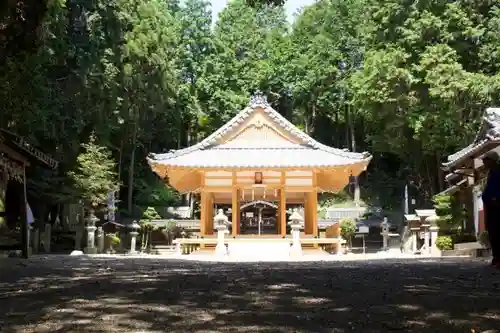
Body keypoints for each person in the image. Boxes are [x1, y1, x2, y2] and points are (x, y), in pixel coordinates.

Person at [481, 150, 500, 267]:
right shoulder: (490, 173)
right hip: (490, 207)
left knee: (498, 232)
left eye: (485, 160)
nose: (483, 162)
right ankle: (496, 257)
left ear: (492, 161)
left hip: (498, 205)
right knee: (492, 232)